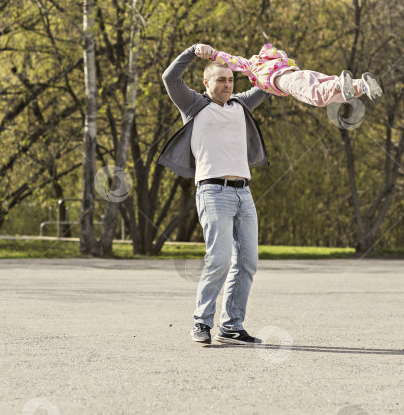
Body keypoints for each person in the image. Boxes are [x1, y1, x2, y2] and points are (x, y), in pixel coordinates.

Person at [157, 44, 272, 346]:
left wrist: (272, 62)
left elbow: (267, 83)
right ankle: (202, 321)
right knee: (219, 259)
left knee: (247, 262)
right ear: (206, 83)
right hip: (212, 191)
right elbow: (170, 78)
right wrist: (193, 51)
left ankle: (232, 326)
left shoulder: (241, 104)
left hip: (244, 194)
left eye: (231, 79)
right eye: (220, 79)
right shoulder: (194, 105)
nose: (227, 84)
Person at [198, 42, 383, 106]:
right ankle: (363, 85)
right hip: (303, 75)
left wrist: (214, 54)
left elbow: (234, 61)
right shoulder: (282, 61)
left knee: (317, 97)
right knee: (335, 98)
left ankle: (340, 82)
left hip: (290, 82)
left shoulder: (254, 65)